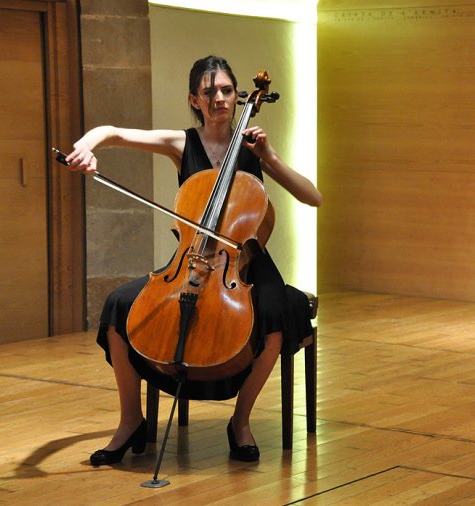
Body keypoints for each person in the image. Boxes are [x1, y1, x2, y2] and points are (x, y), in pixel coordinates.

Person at [63, 55, 322, 465]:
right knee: (117, 306)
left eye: (227, 90)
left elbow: (313, 197)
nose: (219, 98)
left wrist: (269, 157)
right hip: (191, 259)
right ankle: (131, 420)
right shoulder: (181, 144)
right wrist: (85, 148)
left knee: (277, 313)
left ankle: (240, 422)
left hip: (247, 265)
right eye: (209, 92)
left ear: (240, 96)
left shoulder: (253, 146)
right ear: (194, 100)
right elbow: (110, 132)